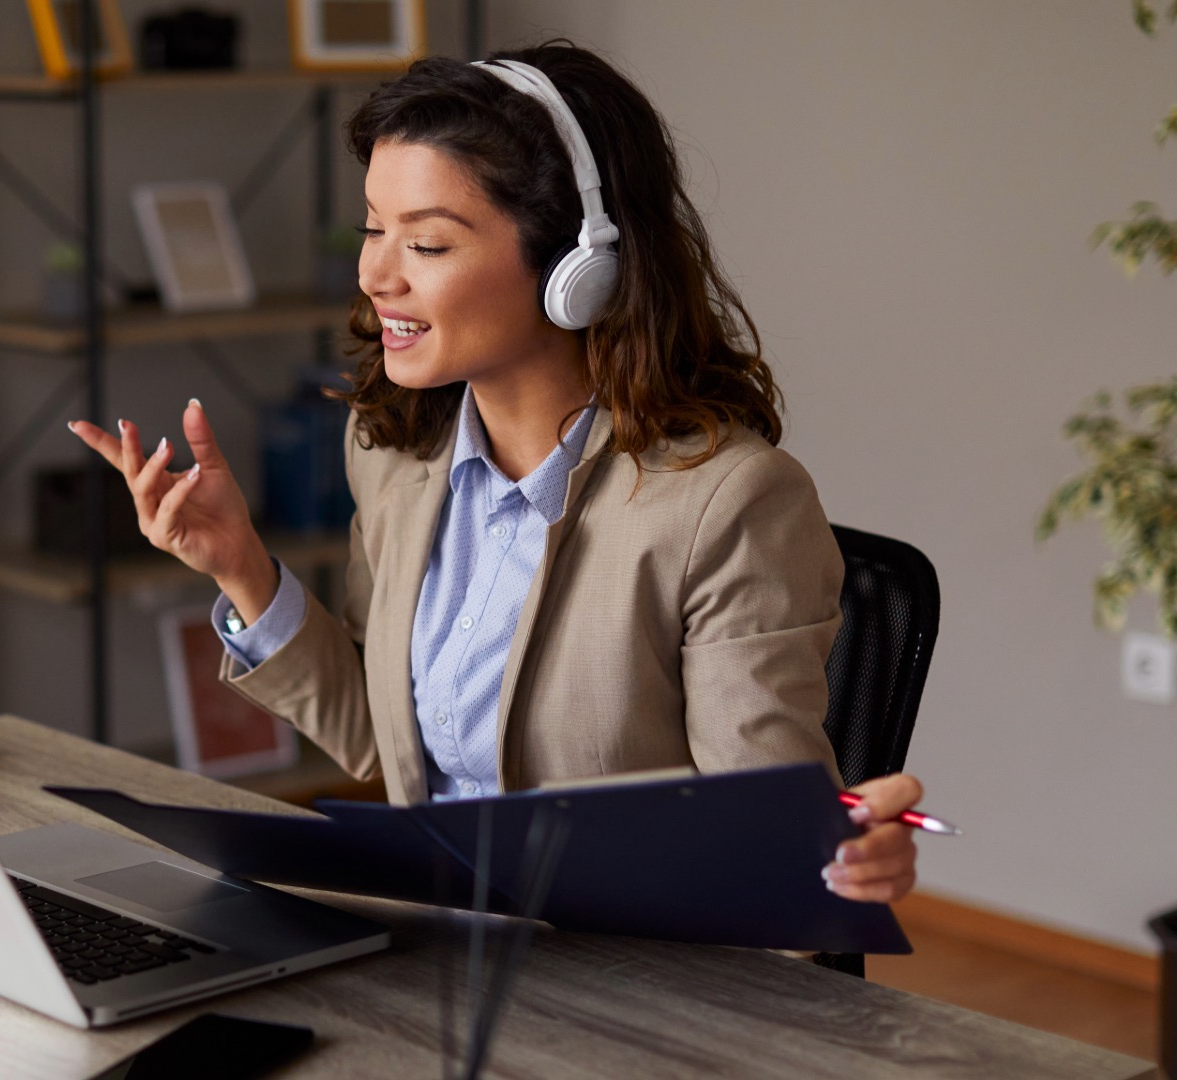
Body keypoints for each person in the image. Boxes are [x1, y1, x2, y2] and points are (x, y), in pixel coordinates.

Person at [68, 42, 919, 905]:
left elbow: (776, 861)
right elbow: (382, 736)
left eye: (427, 243)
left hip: (620, 971)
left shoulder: (730, 504)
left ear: (578, 269)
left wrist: (840, 865)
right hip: (439, 942)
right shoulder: (391, 452)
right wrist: (241, 567)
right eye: (374, 229)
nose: (375, 275)